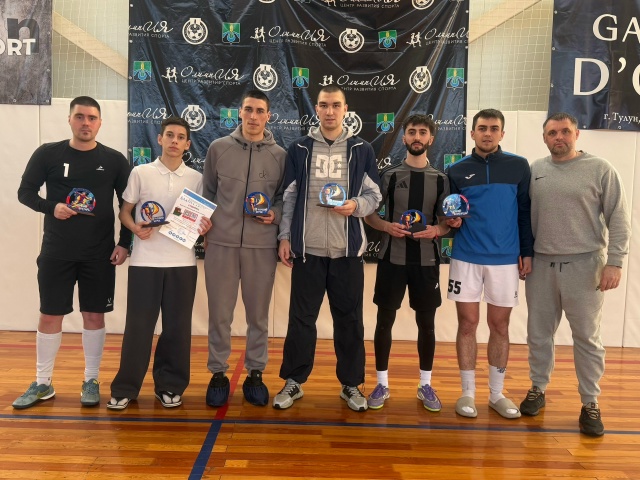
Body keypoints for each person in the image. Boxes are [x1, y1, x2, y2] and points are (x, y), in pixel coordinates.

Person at [14, 96, 131, 409]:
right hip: (57, 251)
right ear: (69, 119)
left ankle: (91, 380)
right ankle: (43, 382)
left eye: (92, 118)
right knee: (50, 314)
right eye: (80, 117)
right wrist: (51, 207)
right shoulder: (48, 153)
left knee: (94, 315)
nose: (85, 123)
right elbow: (25, 192)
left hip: (99, 254)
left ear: (100, 122)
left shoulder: (115, 160)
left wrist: (125, 243)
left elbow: (127, 205)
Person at [519, 112, 630, 436]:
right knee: (538, 334)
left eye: (565, 131)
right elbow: (523, 217)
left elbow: (619, 218)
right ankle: (538, 388)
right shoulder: (535, 170)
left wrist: (615, 262)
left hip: (586, 266)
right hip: (541, 266)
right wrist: (524, 255)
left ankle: (590, 402)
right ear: (544, 138)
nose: (559, 137)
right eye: (552, 133)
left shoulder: (600, 169)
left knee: (587, 337)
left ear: (576, 134)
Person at [273, 85, 382, 412]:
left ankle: (351, 384)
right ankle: (294, 381)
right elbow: (289, 197)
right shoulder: (300, 149)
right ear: (317, 109)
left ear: (345, 109)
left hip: (347, 253)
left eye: (336, 105)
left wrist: (356, 205)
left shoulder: (362, 149)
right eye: (324, 105)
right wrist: (284, 236)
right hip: (308, 251)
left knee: (350, 321)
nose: (330, 111)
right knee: (301, 320)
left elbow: (375, 196)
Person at [107, 116, 211, 410]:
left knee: (177, 329)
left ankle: (169, 386)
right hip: (145, 262)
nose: (175, 141)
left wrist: (205, 227)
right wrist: (134, 228)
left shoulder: (196, 178)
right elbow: (124, 212)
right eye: (170, 135)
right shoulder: (141, 172)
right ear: (160, 139)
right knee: (138, 327)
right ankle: (125, 388)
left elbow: (201, 219)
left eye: (181, 137)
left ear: (187, 144)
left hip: (182, 263)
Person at [445, 108, 533, 419]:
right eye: (482, 128)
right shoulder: (456, 170)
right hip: (466, 257)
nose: (487, 133)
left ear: (502, 134)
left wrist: (527, 252)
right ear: (472, 133)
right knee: (467, 325)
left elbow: (525, 212)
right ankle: (467, 393)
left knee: (500, 326)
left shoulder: (519, 166)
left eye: (494, 128)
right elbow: (449, 213)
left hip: (506, 261)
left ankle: (496, 394)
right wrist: (451, 222)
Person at [203, 90, 286, 407]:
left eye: (260, 111)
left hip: (260, 247)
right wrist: (204, 225)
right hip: (221, 244)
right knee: (219, 315)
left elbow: (284, 198)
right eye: (248, 109)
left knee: (258, 317)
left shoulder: (280, 155)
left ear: (268, 116)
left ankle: (255, 374)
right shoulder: (218, 148)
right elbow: (208, 192)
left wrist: (274, 214)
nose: (253, 116)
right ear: (240, 112)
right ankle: (218, 374)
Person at [364, 114, 451, 411]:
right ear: (403, 138)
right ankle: (382, 384)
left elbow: (447, 222)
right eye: (412, 132)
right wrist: (386, 226)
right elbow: (369, 214)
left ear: (431, 139)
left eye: (422, 132)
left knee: (426, 325)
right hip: (392, 259)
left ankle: (425, 384)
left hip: (426, 262)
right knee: (384, 322)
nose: (417, 137)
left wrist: (437, 230)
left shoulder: (440, 179)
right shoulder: (389, 175)